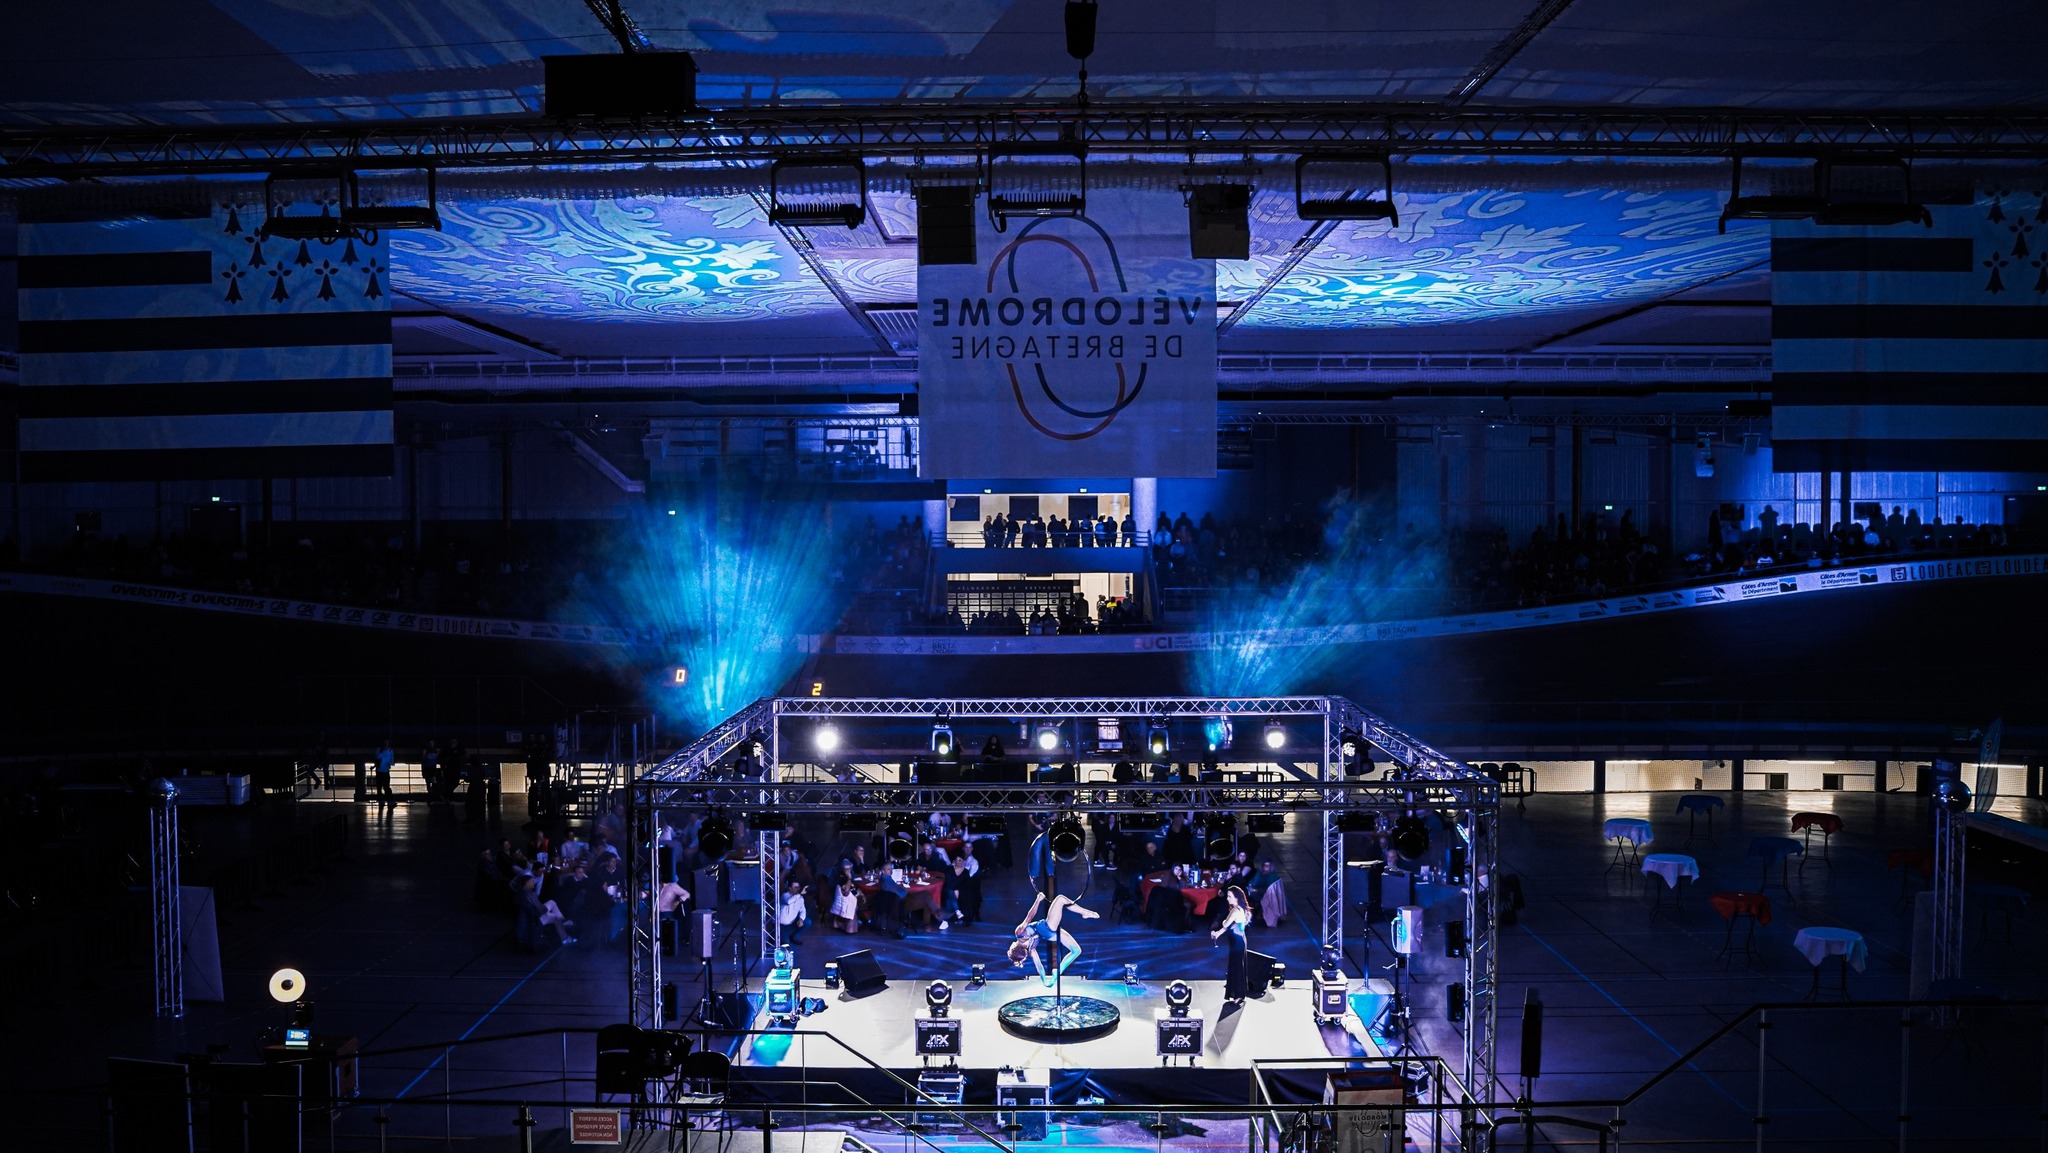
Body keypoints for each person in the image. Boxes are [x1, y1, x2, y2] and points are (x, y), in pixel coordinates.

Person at [1008, 891, 1100, 987]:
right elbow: (1029, 916)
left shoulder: (1031, 949)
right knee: (1060, 899)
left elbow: (1039, 966)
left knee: (1076, 950)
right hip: (1047, 927)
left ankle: (1057, 972)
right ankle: (1085, 913)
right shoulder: (1019, 933)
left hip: (1051, 936)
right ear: (1014, 946)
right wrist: (1038, 900)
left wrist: (1046, 981)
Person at [1212, 885, 1251, 1006]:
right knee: (1235, 966)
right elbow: (1228, 927)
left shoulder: (1235, 911)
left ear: (1236, 898)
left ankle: (1239, 995)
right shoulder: (1239, 909)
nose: (1227, 898)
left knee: (1238, 968)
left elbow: (1225, 924)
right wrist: (1217, 934)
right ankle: (1235, 993)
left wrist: (1223, 923)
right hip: (1237, 941)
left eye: (1230, 896)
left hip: (1237, 942)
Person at [776, 878, 809, 944]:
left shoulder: (800, 898)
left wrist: (801, 919)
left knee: (807, 922)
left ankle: (794, 936)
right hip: (782, 925)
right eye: (795, 887)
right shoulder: (784, 895)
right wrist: (799, 894)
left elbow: (803, 910)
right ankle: (775, 934)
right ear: (790, 888)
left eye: (798, 887)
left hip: (792, 922)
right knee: (786, 944)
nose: (798, 889)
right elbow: (789, 902)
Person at [374, 740, 395, 806]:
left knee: (385, 787)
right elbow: (377, 758)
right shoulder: (381, 750)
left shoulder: (389, 750)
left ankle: (388, 800)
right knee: (381, 787)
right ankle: (384, 800)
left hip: (383, 771)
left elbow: (391, 760)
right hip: (381, 771)